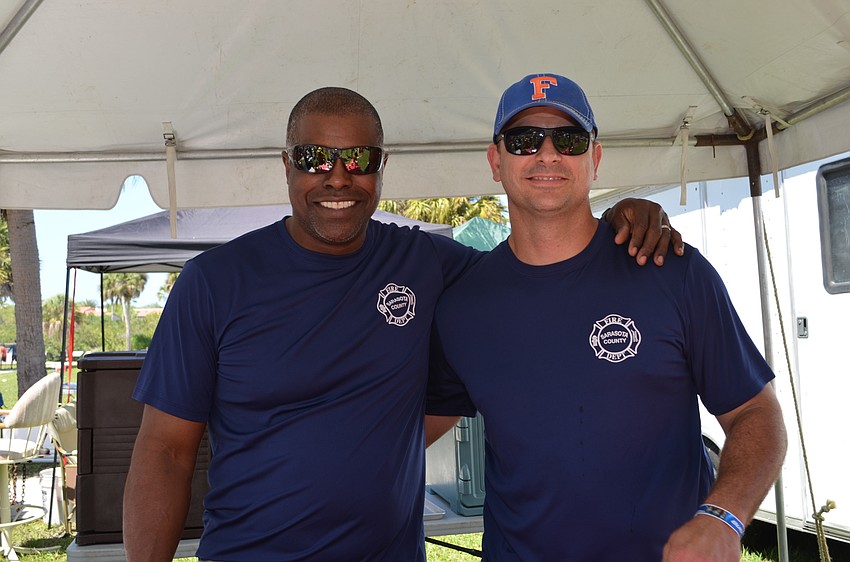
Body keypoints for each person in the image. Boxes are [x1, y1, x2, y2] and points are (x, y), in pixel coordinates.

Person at [123, 86, 682, 562]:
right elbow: (165, 452)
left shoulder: (426, 264)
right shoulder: (214, 283)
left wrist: (619, 218)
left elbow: (535, 272)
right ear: (287, 163)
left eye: (359, 160)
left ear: (382, 166)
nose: (338, 178)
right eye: (317, 157)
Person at [426, 73, 788, 562]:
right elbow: (412, 430)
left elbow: (755, 413)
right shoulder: (463, 304)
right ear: (496, 161)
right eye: (524, 139)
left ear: (594, 159)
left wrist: (722, 518)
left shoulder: (671, 270)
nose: (547, 154)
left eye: (569, 139)